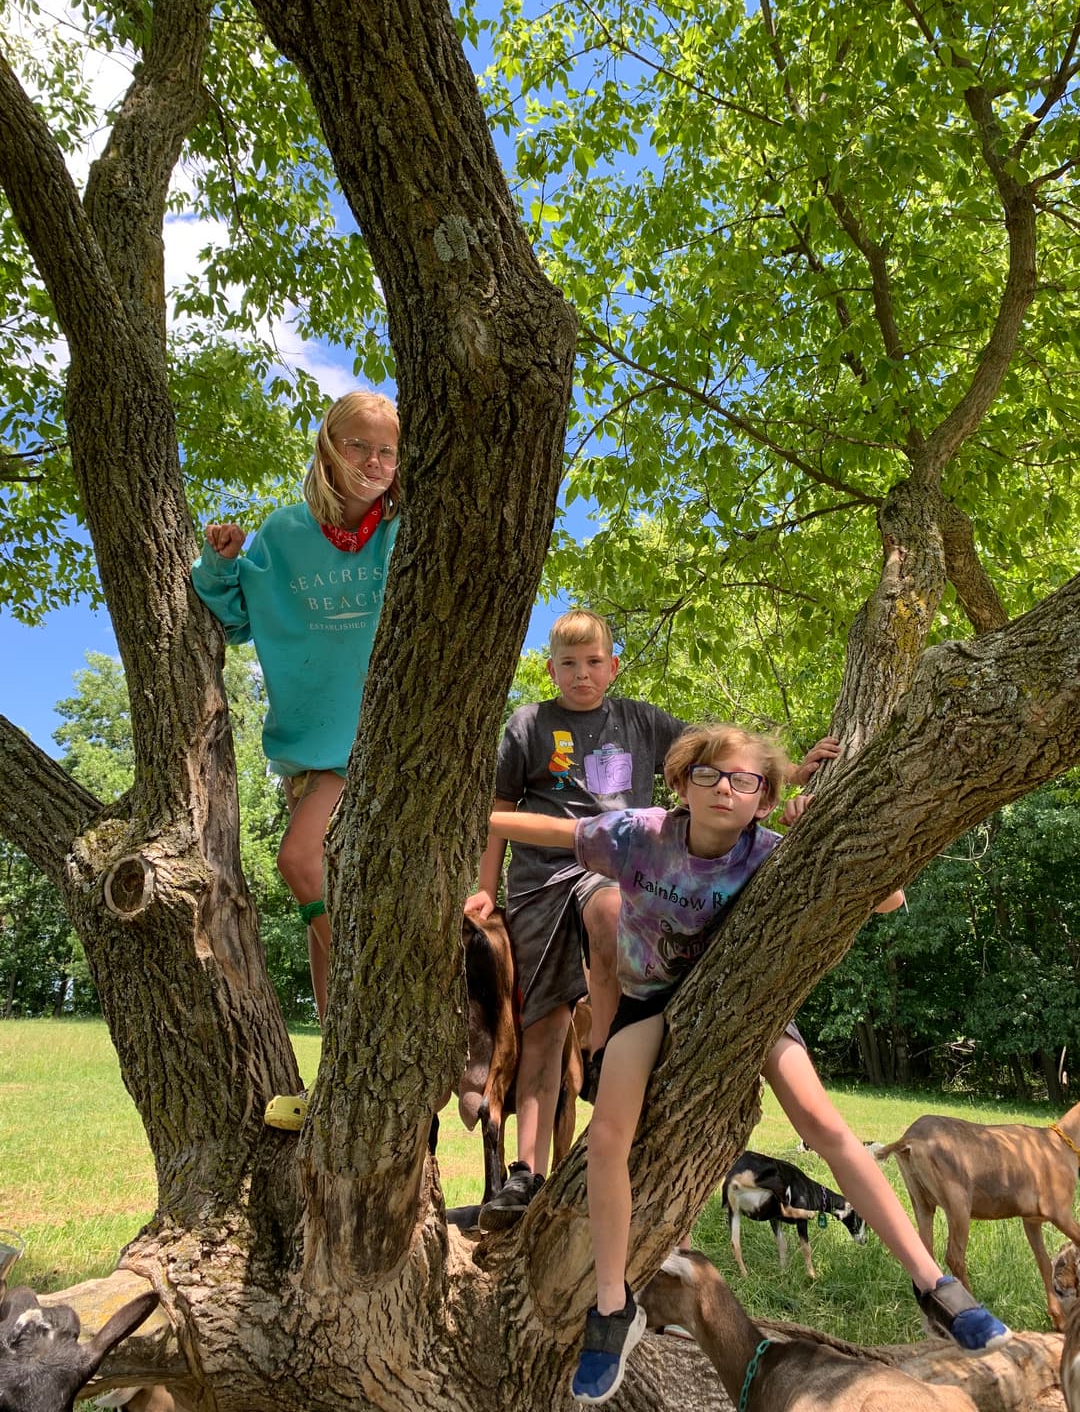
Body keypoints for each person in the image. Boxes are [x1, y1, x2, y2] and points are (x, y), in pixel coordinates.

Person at [489, 722, 1011, 1405]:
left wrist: (818, 827)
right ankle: (614, 1306)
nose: (724, 789)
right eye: (707, 774)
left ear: (765, 799)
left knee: (824, 1124)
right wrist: (468, 810)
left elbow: (889, 897)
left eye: (745, 780)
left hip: (742, 1008)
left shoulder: (771, 853)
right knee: (611, 1138)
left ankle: (933, 1284)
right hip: (647, 1006)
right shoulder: (637, 835)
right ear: (680, 783)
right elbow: (550, 832)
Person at [467, 610, 837, 1229]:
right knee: (542, 1027)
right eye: (567, 663)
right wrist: (484, 889)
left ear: (613, 666)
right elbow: (500, 808)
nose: (581, 674)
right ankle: (523, 1176)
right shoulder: (528, 725)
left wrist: (794, 772)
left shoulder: (643, 720)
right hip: (540, 876)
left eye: (593, 663)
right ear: (550, 667)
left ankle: (609, 1051)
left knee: (610, 910)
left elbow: (725, 757)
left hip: (620, 860)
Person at [191, 389, 400, 1130]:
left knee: (297, 862)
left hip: (382, 748)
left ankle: (383, 1020)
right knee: (327, 918)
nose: (373, 463)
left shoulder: (403, 530)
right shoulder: (283, 534)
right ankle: (340, 1072)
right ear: (327, 447)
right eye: (358, 446)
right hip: (309, 754)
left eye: (387, 451)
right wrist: (217, 565)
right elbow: (239, 619)